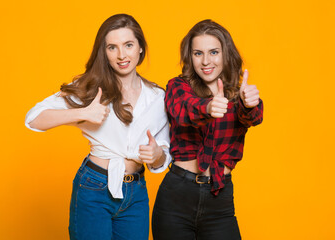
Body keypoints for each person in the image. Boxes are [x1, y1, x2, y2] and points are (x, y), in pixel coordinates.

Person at [25, 14, 171, 240]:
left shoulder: (158, 97)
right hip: (94, 187)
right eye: (112, 47)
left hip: (136, 192)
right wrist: (83, 113)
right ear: (104, 52)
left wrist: (158, 154)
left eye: (128, 45)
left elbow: (162, 159)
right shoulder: (92, 87)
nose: (122, 55)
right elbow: (33, 119)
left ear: (140, 48)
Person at [152, 19, 263, 240]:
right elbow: (183, 110)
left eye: (213, 52)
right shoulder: (177, 86)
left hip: (219, 199)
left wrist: (250, 104)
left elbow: (252, 117)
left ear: (225, 54)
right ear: (190, 57)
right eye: (197, 53)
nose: (205, 61)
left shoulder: (238, 94)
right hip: (176, 198)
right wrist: (209, 106)